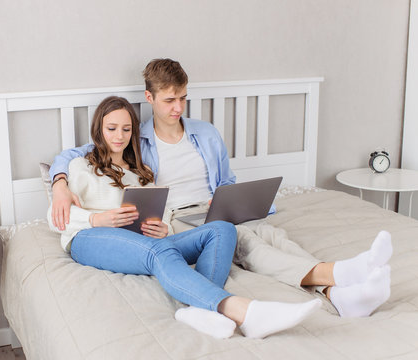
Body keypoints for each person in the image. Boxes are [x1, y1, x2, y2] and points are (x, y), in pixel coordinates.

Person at [48, 59, 392, 319]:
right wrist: (59, 184)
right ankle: (338, 274)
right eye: (169, 100)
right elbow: (83, 152)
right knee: (248, 245)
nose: (178, 108)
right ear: (149, 98)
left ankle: (336, 293)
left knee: (274, 236)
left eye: (183, 98)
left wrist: (229, 200)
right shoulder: (133, 138)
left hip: (216, 207)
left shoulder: (206, 132)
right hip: (179, 218)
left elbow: (226, 180)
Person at [48, 95, 322, 339]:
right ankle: (242, 309)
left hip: (143, 242)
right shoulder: (79, 166)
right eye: (111, 128)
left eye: (126, 129)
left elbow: (161, 212)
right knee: (156, 252)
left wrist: (163, 228)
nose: (118, 136)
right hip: (89, 238)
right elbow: (55, 217)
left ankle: (198, 311)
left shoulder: (139, 173)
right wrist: (97, 220)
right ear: (99, 130)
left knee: (222, 229)